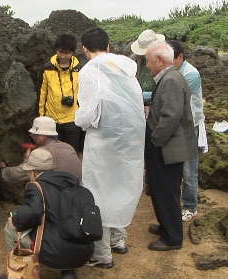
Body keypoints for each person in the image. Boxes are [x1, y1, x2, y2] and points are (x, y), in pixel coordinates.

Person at [75, 27, 145, 268]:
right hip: (127, 142)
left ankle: (102, 255)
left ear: (84, 48)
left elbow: (87, 115)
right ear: (108, 46)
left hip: (102, 143)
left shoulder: (89, 71)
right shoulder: (124, 69)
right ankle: (118, 240)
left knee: (98, 194)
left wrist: (78, 120)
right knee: (119, 186)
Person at [2, 148, 92, 279]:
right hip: (83, 250)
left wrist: (16, 220)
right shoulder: (72, 182)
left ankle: (19, 272)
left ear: (33, 172)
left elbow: (34, 212)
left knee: (10, 229)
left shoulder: (36, 187)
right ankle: (68, 272)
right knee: (66, 223)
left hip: (54, 253)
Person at [144, 40, 197, 251]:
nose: (147, 65)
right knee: (163, 189)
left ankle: (172, 237)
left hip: (167, 147)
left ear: (159, 60)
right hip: (166, 146)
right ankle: (167, 225)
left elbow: (171, 115)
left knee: (166, 190)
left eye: (148, 61)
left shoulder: (171, 80)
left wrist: (156, 139)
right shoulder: (169, 77)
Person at [167, 40, 208, 222]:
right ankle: (178, 204)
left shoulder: (190, 74)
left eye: (170, 58)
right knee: (177, 169)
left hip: (191, 128)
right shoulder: (174, 71)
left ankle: (191, 206)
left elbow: (172, 95)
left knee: (189, 170)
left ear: (180, 57)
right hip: (179, 127)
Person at [131, 29, 165, 196]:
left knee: (153, 146)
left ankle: (152, 182)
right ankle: (144, 181)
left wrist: (147, 98)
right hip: (138, 108)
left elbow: (165, 88)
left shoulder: (162, 60)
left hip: (155, 107)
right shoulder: (135, 59)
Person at [0, 116, 82, 182]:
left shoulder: (42, 153)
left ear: (43, 135)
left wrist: (3, 170)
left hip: (64, 196)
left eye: (35, 134)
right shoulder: (67, 146)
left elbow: (19, 173)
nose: (32, 137)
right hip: (79, 190)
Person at [38, 33, 82, 152]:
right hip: (51, 120)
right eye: (60, 51)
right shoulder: (47, 68)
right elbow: (43, 93)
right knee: (52, 154)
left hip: (72, 119)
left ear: (72, 52)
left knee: (72, 152)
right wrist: (42, 116)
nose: (63, 56)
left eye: (66, 53)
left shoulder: (80, 70)